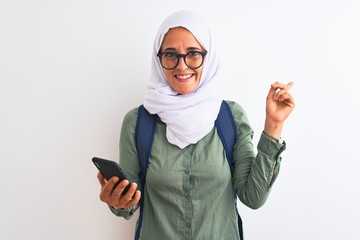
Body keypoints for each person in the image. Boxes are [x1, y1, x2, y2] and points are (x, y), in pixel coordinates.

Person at [97, 10, 295, 240]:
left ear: (208, 57)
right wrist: (118, 200)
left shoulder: (229, 117)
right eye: (170, 54)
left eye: (193, 54)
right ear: (158, 57)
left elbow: (254, 197)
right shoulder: (138, 122)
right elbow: (128, 206)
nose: (182, 66)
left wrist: (274, 124)